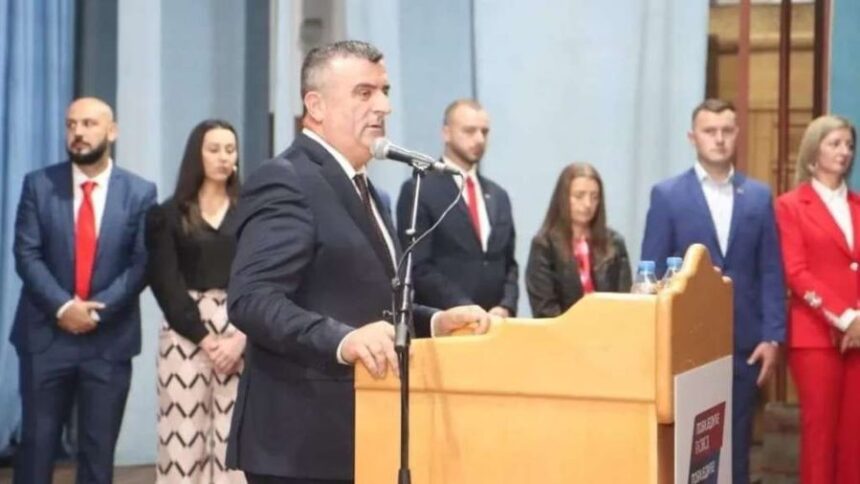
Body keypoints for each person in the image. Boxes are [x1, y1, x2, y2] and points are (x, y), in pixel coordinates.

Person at [224, 40, 491, 484]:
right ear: (316, 106)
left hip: (360, 431)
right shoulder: (286, 179)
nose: (383, 106)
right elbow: (251, 299)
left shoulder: (367, 189)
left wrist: (434, 321)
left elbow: (366, 302)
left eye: (384, 91)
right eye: (364, 93)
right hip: (301, 443)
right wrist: (342, 340)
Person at [11, 97, 157, 484]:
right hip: (45, 337)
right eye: (71, 124)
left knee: (97, 453)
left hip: (108, 341)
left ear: (112, 131)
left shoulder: (140, 192)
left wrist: (95, 310)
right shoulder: (39, 185)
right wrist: (64, 307)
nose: (78, 132)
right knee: (36, 448)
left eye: (89, 124)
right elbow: (26, 254)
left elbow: (142, 263)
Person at [640, 98, 785, 484]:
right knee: (690, 452)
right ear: (693, 137)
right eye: (709, 131)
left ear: (737, 134)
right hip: (687, 344)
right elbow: (651, 271)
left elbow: (771, 270)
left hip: (745, 344)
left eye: (726, 131)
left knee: (736, 450)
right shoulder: (668, 195)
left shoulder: (758, 196)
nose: (719, 139)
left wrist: (772, 336)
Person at [146, 120, 246, 484]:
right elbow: (165, 283)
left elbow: (260, 277)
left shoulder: (251, 212)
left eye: (230, 150)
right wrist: (205, 339)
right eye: (214, 149)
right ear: (196, 155)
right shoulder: (167, 214)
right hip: (184, 334)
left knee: (233, 441)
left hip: (240, 330)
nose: (223, 157)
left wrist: (239, 339)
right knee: (182, 439)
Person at [774, 115, 859, 484]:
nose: (845, 151)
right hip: (815, 337)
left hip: (859, 337)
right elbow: (796, 272)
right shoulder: (790, 206)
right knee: (820, 435)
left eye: (849, 145)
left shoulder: (857, 205)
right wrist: (846, 318)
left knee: (854, 437)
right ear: (813, 153)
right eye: (835, 143)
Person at [395, 99, 518, 317]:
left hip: (496, 323)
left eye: (484, 132)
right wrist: (462, 306)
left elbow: (508, 264)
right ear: (446, 133)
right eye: (469, 131)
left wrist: (506, 305)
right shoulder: (420, 189)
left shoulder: (499, 195)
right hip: (447, 322)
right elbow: (418, 266)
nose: (479, 139)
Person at [525, 162, 631, 317]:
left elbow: (624, 301)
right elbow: (545, 309)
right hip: (562, 330)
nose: (588, 204)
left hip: (609, 328)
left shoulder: (614, 243)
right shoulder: (544, 246)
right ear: (563, 198)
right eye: (579, 196)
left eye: (594, 197)